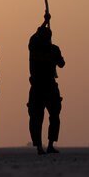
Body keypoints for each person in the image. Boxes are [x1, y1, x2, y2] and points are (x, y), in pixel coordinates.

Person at [28, 14, 65, 155]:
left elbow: (62, 64)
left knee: (54, 114)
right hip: (37, 86)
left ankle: (50, 144)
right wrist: (44, 21)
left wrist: (55, 57)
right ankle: (39, 146)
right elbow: (34, 37)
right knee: (36, 116)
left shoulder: (54, 49)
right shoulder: (34, 48)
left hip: (50, 85)